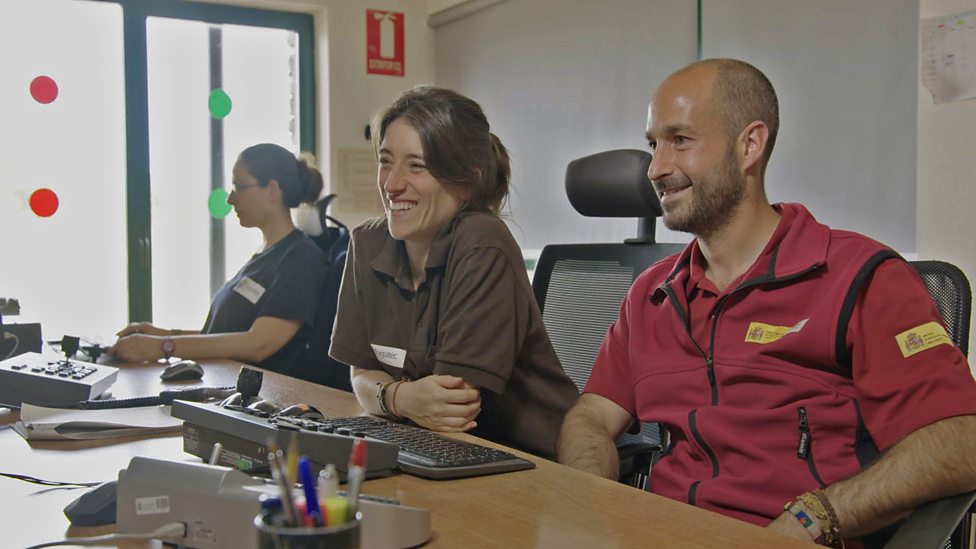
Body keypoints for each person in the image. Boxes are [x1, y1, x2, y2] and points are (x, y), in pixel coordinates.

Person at [555, 58, 976, 546]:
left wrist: (809, 519)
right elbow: (591, 417)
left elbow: (959, 441)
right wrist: (594, 498)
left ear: (749, 145)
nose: (655, 168)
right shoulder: (651, 294)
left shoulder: (860, 277)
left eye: (680, 140)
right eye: (653, 144)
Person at [329, 86, 579, 459]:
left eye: (416, 165)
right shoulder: (367, 243)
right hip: (432, 449)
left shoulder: (482, 242)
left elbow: (449, 405)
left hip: (531, 464)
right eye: (385, 161)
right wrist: (400, 397)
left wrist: (388, 395)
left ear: (466, 181)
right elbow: (361, 376)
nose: (392, 184)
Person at [111, 143, 330, 381]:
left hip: (261, 402)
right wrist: (163, 334)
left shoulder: (301, 260)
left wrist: (164, 346)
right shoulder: (267, 254)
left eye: (240, 187)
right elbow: (227, 335)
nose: (231, 199)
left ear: (272, 190)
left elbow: (258, 344)